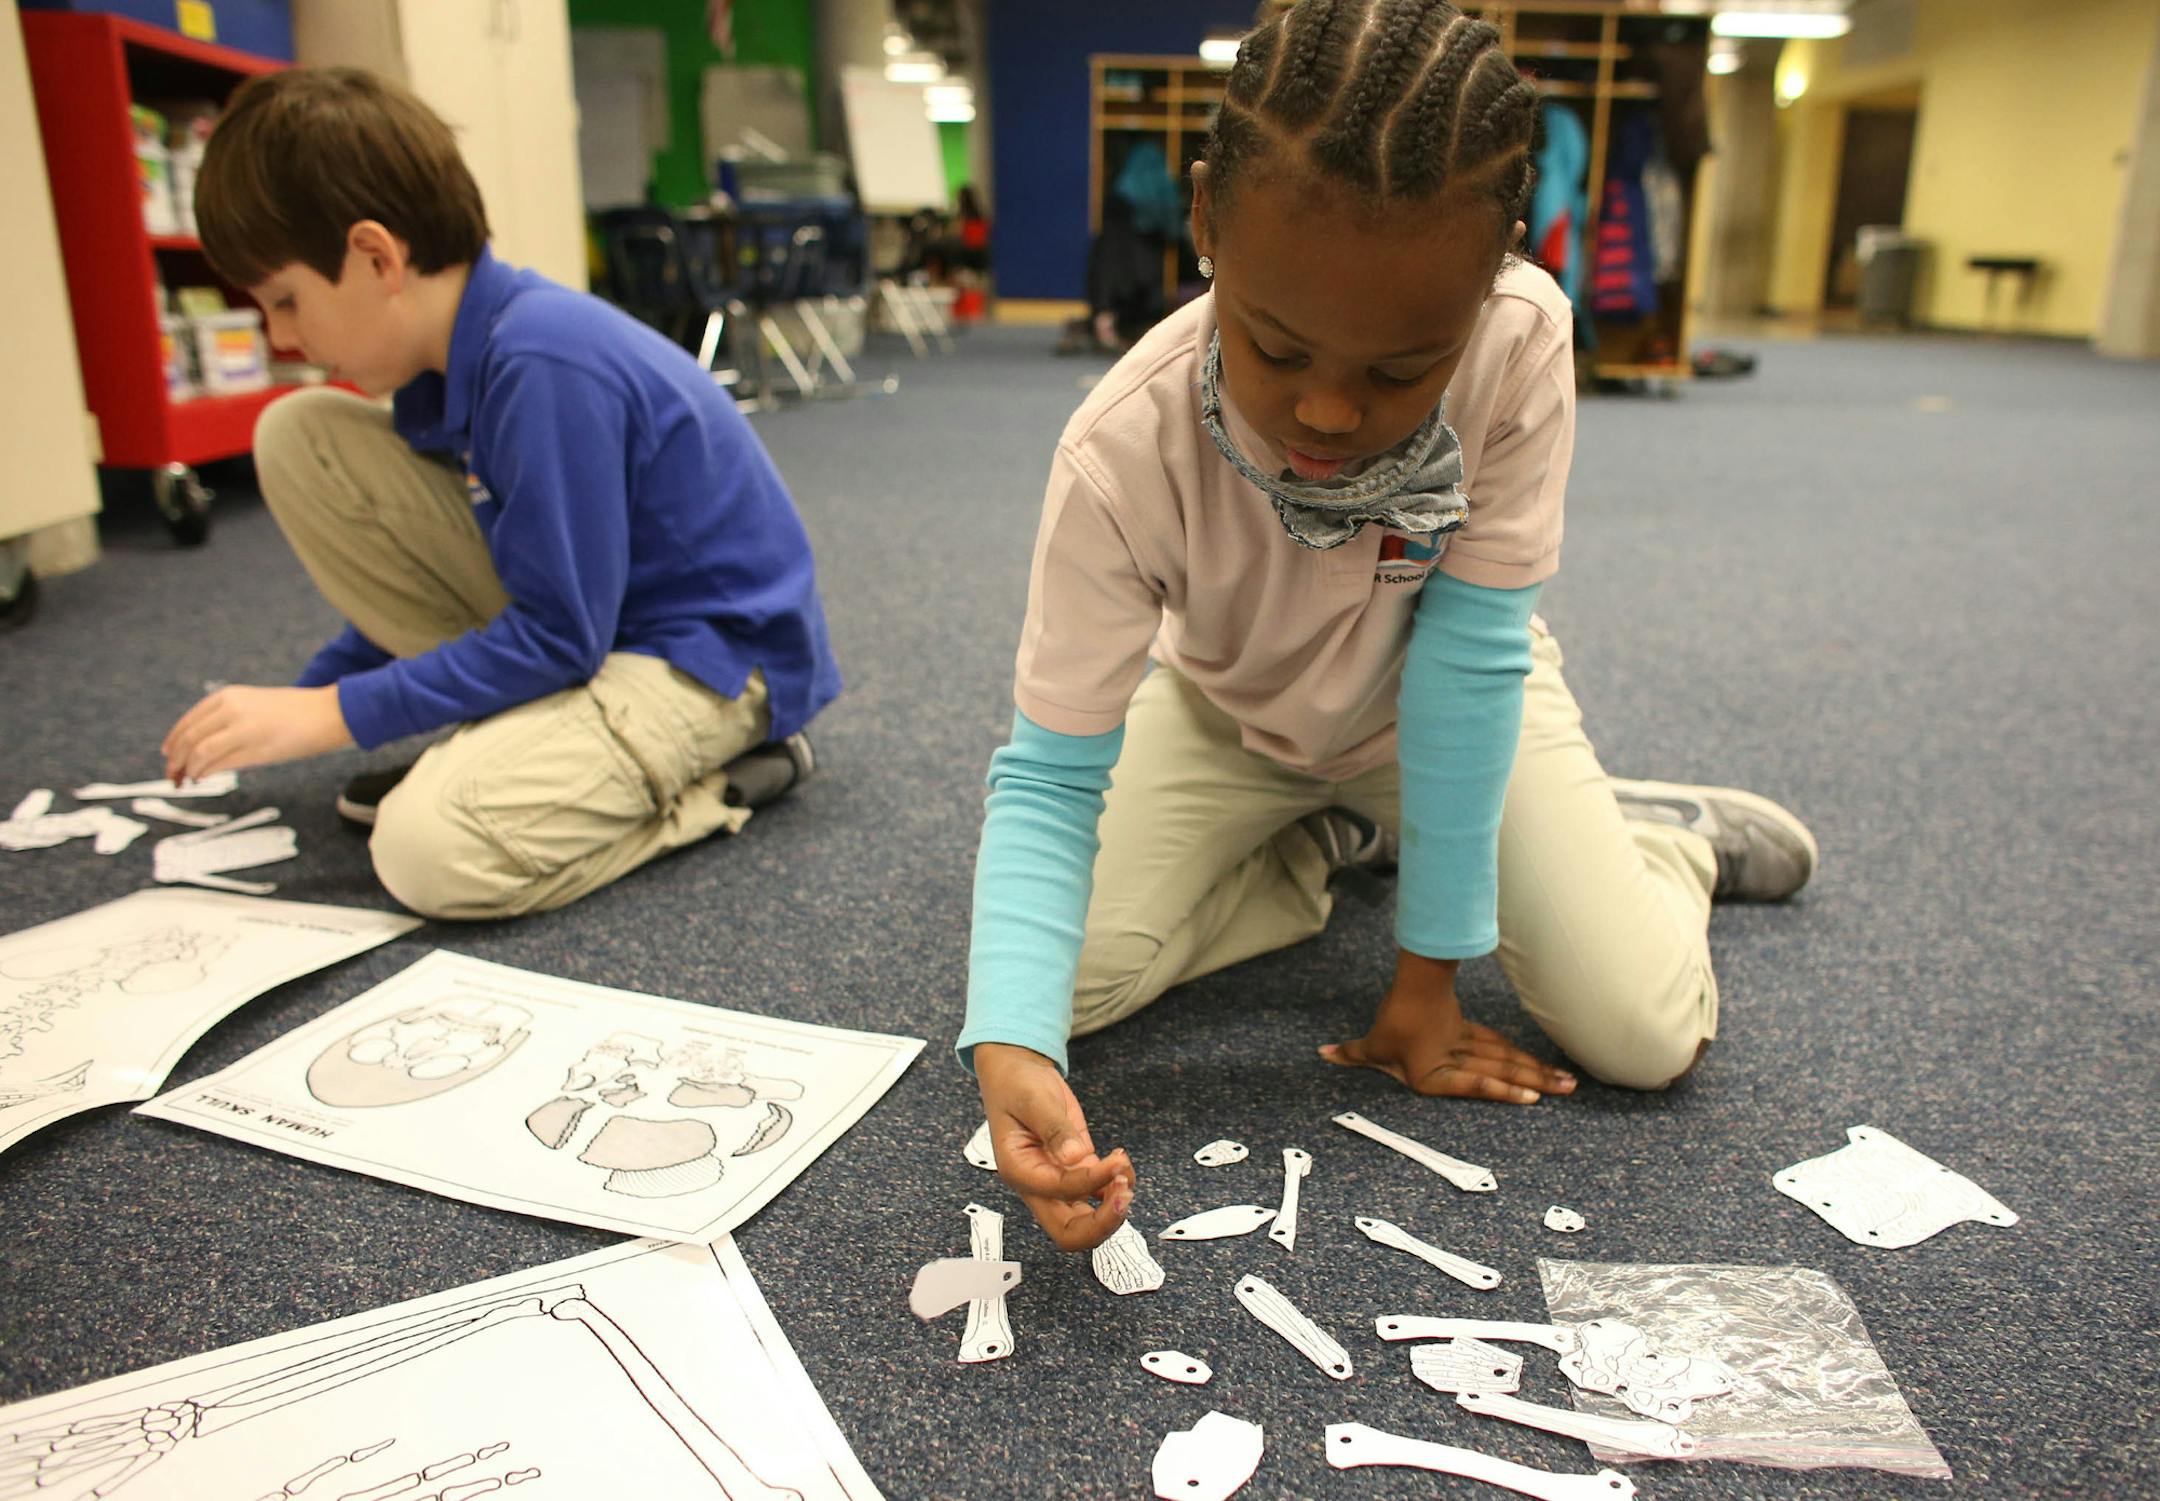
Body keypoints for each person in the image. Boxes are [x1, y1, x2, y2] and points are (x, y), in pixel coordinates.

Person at [959, 0, 1817, 1251]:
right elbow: (1047, 777)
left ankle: (1660, 841)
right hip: (1229, 709)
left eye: (1402, 370)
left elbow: (1472, 661)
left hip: (1451, 706)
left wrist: (1428, 982)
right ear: (1204, 222)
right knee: (1051, 989)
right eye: (1274, 344)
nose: (1326, 411)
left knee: (1642, 1033)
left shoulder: (1523, 341)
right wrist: (1014, 1043)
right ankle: (1321, 845)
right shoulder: (1117, 450)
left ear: (1493, 272)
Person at [159, 69, 840, 920]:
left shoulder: (540, 363)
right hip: (599, 626)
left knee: (425, 851)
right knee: (299, 433)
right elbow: (498, 577)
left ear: (377, 257)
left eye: (285, 300)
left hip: (711, 665)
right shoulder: (450, 365)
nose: (282, 336)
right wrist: (311, 695)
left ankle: (726, 786)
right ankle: (527, 749)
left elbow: (559, 633)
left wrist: (333, 714)